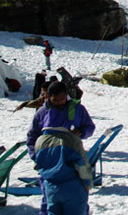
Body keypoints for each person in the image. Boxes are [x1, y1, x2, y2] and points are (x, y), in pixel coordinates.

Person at [27, 81, 95, 215]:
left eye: (62, 99)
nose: (59, 102)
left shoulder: (77, 109)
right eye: (55, 100)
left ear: (66, 96)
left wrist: (80, 132)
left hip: (70, 162)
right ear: (48, 97)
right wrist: (37, 158)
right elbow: (32, 138)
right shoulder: (42, 112)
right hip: (48, 166)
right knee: (48, 205)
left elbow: (90, 127)